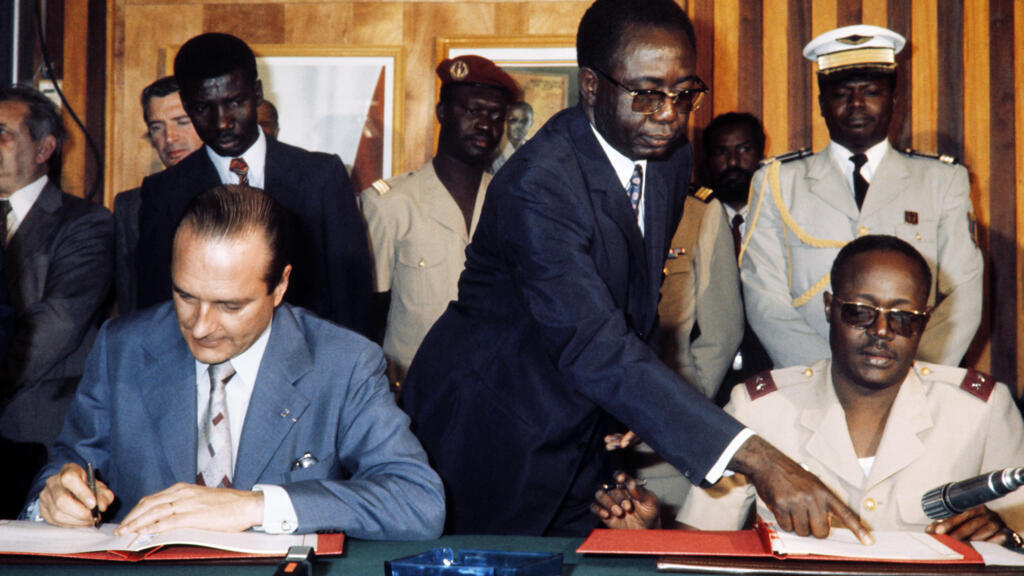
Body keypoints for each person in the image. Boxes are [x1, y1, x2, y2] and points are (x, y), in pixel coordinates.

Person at [402, 0, 872, 543]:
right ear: (592, 86)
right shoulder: (540, 186)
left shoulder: (666, 157)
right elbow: (594, 344)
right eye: (648, 93)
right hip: (488, 428)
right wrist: (761, 459)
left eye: (683, 92)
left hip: (580, 422)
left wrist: (623, 406)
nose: (669, 114)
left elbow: (635, 297)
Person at [27, 185, 445, 539]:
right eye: (185, 296)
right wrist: (54, 498)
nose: (201, 326)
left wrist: (256, 507)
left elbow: (418, 501)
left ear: (279, 286)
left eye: (230, 305)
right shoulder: (122, 347)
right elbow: (64, 467)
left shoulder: (344, 363)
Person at [596, 235, 1024, 547]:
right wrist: (647, 536)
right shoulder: (760, 408)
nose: (880, 332)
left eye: (903, 317)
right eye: (860, 312)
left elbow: (1018, 534)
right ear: (829, 308)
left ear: (925, 322)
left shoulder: (980, 410)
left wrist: (1006, 538)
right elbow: (705, 539)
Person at [739, 25, 982, 368]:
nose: (856, 105)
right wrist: (823, 378)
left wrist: (911, 375)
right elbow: (764, 298)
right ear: (822, 104)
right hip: (806, 384)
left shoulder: (942, 181)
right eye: (841, 94)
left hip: (912, 384)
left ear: (894, 101)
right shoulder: (778, 181)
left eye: (870, 91)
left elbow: (964, 294)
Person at [135, 33, 373, 337]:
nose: (222, 122)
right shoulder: (164, 193)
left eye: (234, 102)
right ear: (186, 105)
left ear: (257, 94)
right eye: (203, 108)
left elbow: (351, 297)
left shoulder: (321, 177)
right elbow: (154, 309)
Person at [362, 55, 518, 385]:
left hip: (494, 391)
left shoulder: (513, 203)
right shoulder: (391, 204)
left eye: (496, 116)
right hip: (413, 394)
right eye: (473, 111)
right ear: (442, 113)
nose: (485, 125)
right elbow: (368, 315)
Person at [0, 84, 113, 518]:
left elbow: (57, 324)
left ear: (45, 146)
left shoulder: (85, 223)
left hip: (36, 432)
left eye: (4, 132)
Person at [114, 76, 204, 315]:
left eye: (182, 122)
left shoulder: (240, 192)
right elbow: (129, 295)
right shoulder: (132, 205)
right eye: (157, 127)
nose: (170, 138)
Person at [489, 101, 533, 173]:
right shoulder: (493, 150)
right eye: (513, 120)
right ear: (506, 121)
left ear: (531, 123)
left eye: (524, 121)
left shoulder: (533, 150)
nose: (518, 126)